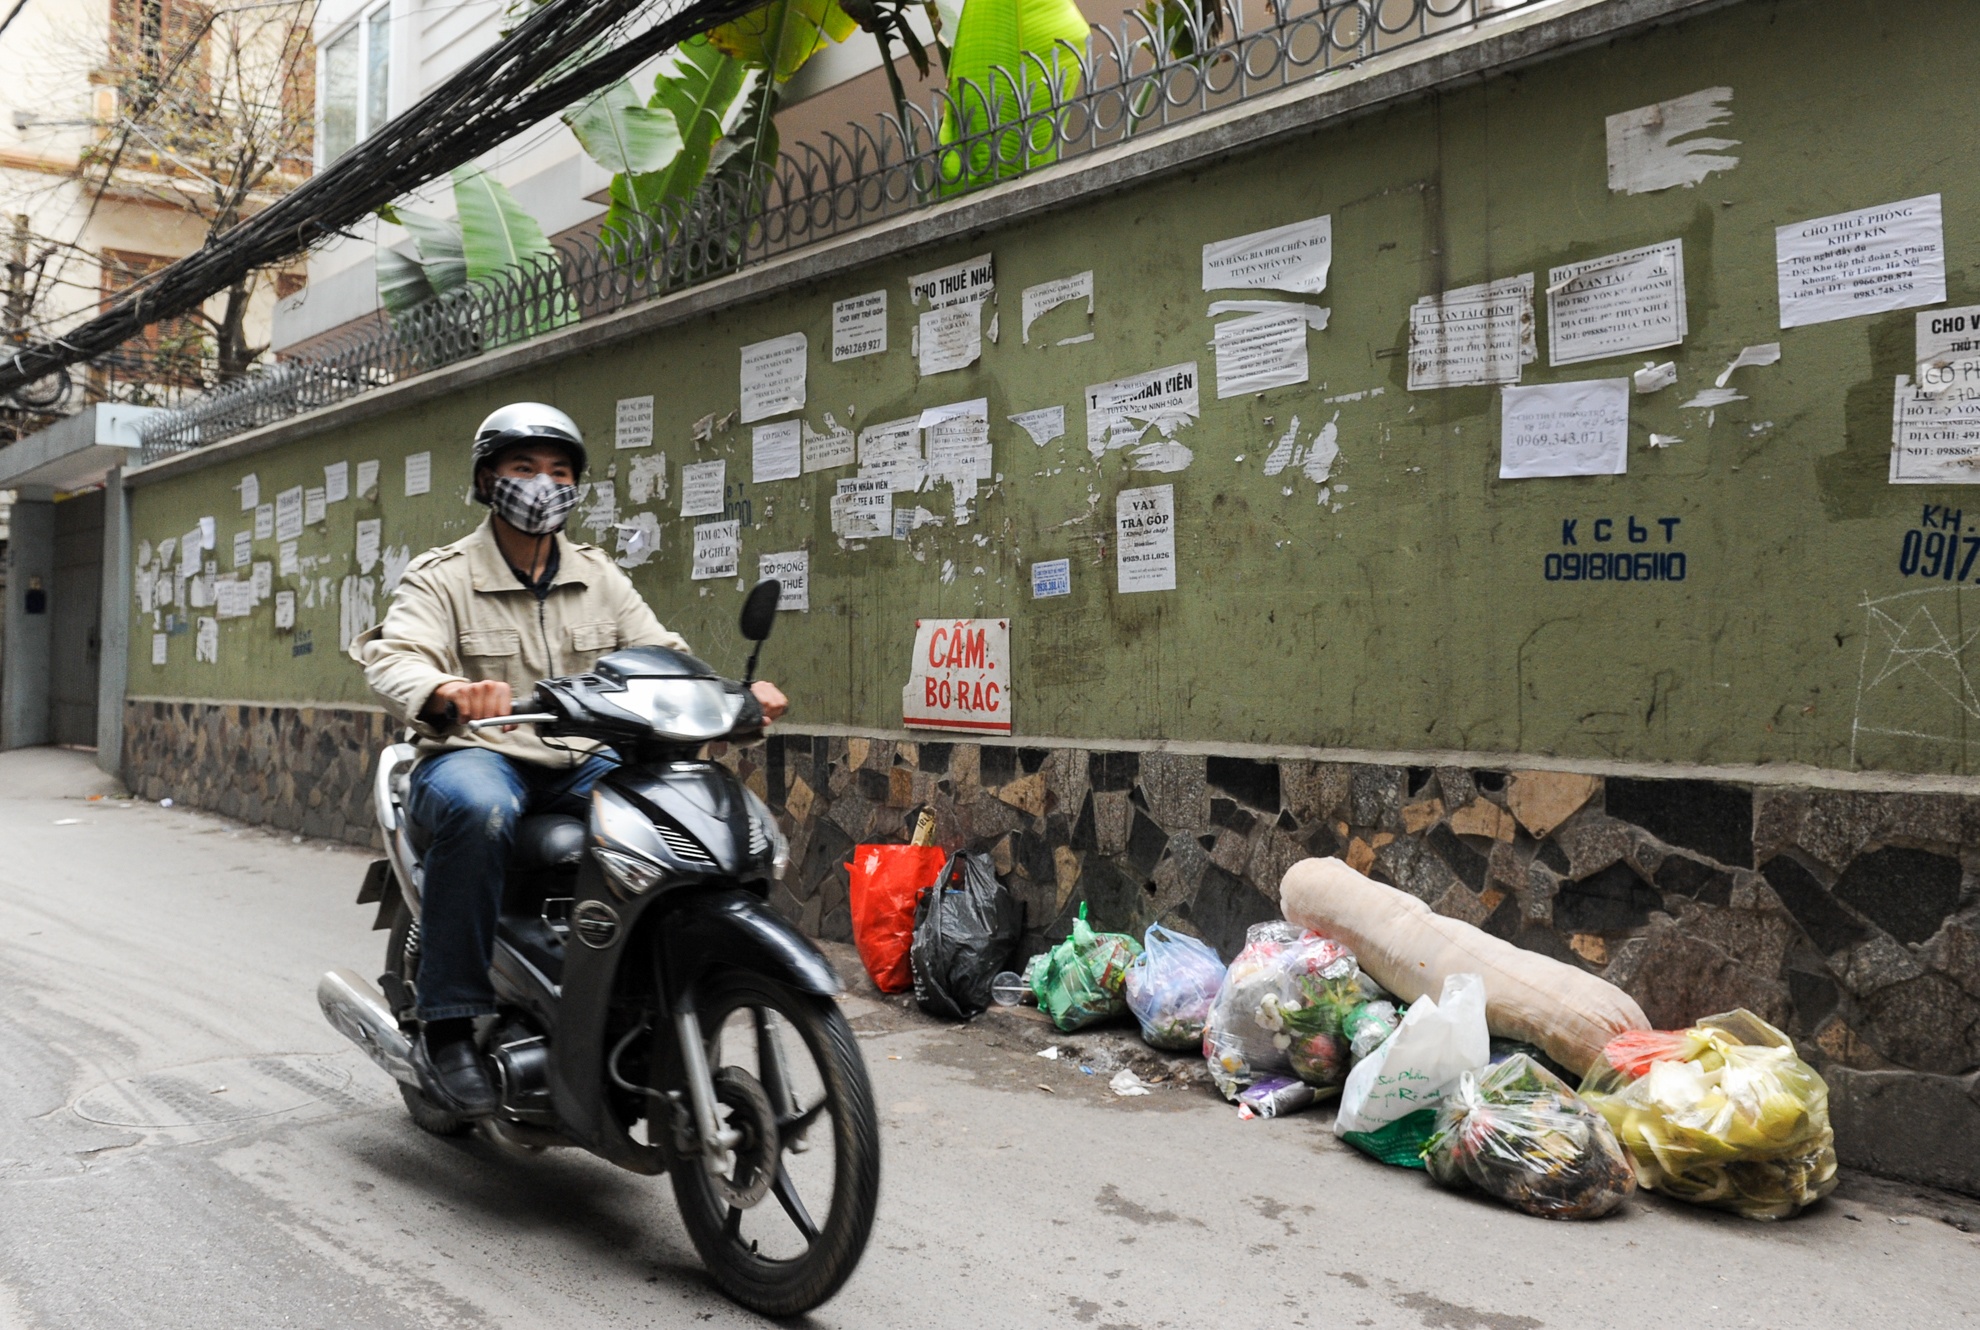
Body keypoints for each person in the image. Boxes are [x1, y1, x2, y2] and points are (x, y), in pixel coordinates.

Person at [352, 402, 787, 1117]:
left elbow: (662, 656)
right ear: (490, 479)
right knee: (480, 810)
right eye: (525, 469)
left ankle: (630, 988)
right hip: (477, 754)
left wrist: (734, 696)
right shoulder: (444, 576)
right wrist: (449, 690)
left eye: (559, 472)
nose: (543, 484)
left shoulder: (598, 575)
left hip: (578, 761)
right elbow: (396, 656)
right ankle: (451, 1026)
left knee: (673, 816)